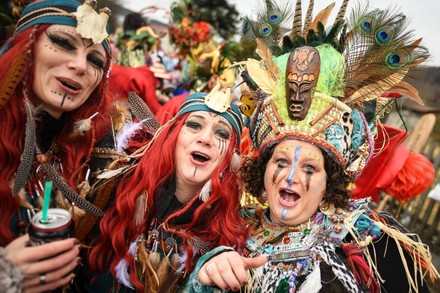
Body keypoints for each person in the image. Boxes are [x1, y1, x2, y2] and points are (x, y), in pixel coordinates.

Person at [184, 1, 439, 292]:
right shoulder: (231, 229)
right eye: (280, 162)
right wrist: (203, 277)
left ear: (328, 182)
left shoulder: (367, 242)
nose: (291, 177)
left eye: (310, 167)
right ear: (263, 170)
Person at [81, 87, 248, 292]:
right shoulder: (118, 192)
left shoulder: (226, 240)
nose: (205, 139)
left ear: (231, 159)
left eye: (221, 133)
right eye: (194, 125)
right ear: (173, 136)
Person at [0, 0, 114, 291]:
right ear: (27, 45)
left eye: (95, 61)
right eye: (63, 43)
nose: (79, 66)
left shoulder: (92, 154)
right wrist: (5, 275)